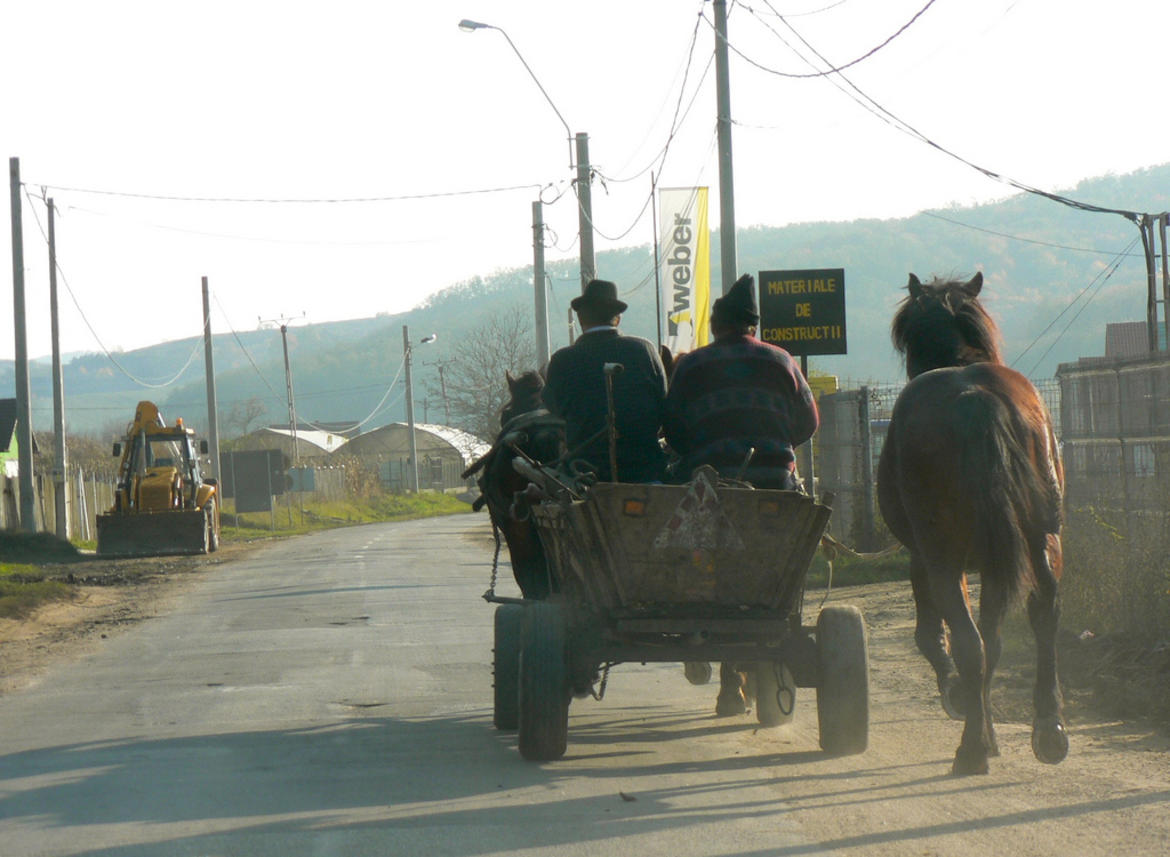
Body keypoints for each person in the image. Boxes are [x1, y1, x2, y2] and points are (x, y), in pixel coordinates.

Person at [664, 273, 819, 490]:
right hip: (776, 480)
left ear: (714, 327)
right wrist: (777, 448)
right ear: (753, 328)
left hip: (706, 481)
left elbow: (673, 430)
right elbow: (809, 422)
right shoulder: (783, 362)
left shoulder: (690, 365)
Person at [543, 279, 668, 483]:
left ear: (580, 319)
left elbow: (554, 407)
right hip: (646, 471)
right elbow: (663, 405)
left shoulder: (562, 360)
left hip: (584, 474)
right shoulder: (645, 350)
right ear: (617, 319)